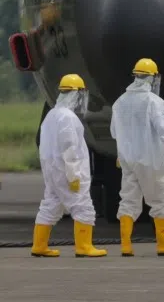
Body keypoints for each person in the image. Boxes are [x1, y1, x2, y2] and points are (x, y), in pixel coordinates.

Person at [110, 58, 164, 257]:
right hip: (150, 160)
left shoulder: (120, 102)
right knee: (161, 200)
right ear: (152, 77)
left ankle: (125, 245)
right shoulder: (154, 102)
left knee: (128, 200)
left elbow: (115, 131)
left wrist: (120, 153)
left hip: (127, 160)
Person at [31, 74, 107, 258]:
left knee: (51, 205)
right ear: (76, 94)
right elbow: (70, 148)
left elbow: (45, 145)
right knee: (83, 206)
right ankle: (84, 246)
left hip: (53, 171)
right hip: (67, 171)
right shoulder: (68, 117)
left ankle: (39, 246)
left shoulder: (51, 115)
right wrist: (73, 175)